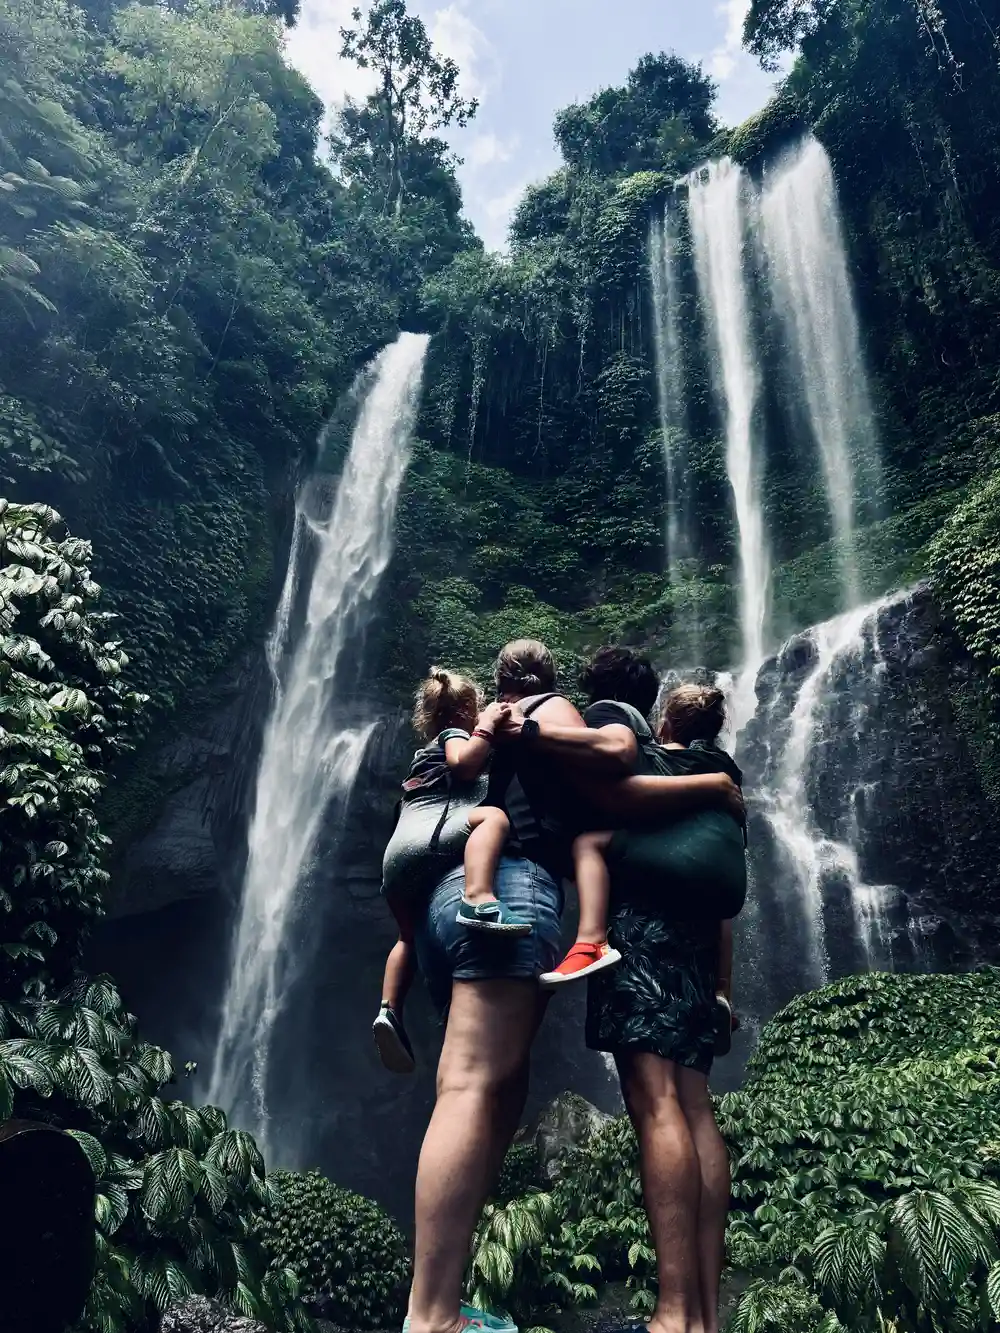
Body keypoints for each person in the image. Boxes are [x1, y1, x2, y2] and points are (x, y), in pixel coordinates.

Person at [405, 640, 743, 1333]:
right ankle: (436, 1314)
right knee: (488, 1088)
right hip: (535, 899)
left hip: (448, 899)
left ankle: (443, 1309)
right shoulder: (592, 729)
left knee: (491, 1089)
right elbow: (618, 770)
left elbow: (608, 772)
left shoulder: (487, 732)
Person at [373, 668, 525, 1076]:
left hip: (397, 857)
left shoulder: (419, 757)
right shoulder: (454, 736)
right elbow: (464, 767)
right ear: (464, 711)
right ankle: (478, 898)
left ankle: (389, 1011)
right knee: (492, 818)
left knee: (406, 937)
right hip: (435, 838)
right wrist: (489, 728)